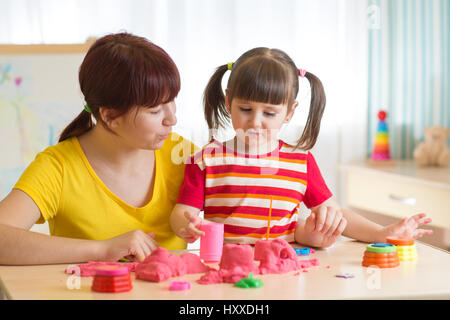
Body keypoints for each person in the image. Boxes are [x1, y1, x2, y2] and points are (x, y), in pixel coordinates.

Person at [170, 47, 433, 247]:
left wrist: (380, 233)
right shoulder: (206, 159)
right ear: (228, 102)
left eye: (269, 113)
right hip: (226, 274)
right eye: (246, 109)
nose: (255, 121)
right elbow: (182, 212)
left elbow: (335, 214)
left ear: (289, 112)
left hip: (286, 271)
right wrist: (188, 224)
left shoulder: (301, 161)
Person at [0, 32, 196, 265]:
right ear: (110, 116)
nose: (171, 119)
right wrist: (103, 249)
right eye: (155, 110)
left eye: (172, 100)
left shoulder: (184, 154)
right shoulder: (59, 167)